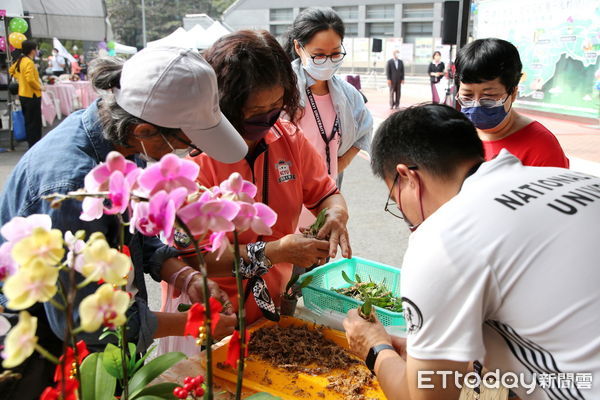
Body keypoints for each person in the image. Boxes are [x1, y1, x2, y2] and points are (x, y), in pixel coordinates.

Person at [0, 47, 246, 397]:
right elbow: (88, 324)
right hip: (52, 352)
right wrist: (196, 324)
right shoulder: (75, 186)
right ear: (145, 130)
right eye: (186, 144)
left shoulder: (121, 142)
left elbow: (135, 233)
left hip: (104, 336)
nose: (188, 154)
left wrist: (185, 275)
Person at [343, 103, 600, 400]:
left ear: (407, 177)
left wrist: (375, 348)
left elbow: (424, 397)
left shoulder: (442, 237)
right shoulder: (571, 180)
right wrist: (430, 352)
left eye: (395, 198)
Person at [160, 30, 353, 353]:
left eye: (276, 106)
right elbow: (190, 258)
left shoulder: (288, 138)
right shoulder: (191, 159)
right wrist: (274, 252)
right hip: (205, 316)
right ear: (222, 104)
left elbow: (325, 193)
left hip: (267, 312)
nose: (267, 119)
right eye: (253, 112)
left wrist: (335, 213)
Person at [284, 7, 372, 236]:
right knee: (287, 263)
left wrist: (338, 164)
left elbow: (365, 127)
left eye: (335, 54)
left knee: (319, 260)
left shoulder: (347, 94)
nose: (328, 62)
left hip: (327, 196)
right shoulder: (283, 92)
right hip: (288, 197)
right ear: (298, 48)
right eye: (319, 55)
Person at [455, 38, 569, 168]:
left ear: (513, 93)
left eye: (489, 97)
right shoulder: (456, 136)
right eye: (467, 96)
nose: (476, 105)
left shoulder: (541, 146)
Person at [9, 40, 43, 149]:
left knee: (29, 121)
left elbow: (11, 70)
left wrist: (20, 78)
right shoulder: (29, 62)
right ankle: (35, 144)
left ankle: (31, 144)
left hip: (23, 94)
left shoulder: (21, 60)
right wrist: (40, 87)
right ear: (32, 50)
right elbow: (30, 79)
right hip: (32, 95)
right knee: (35, 122)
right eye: (36, 49)